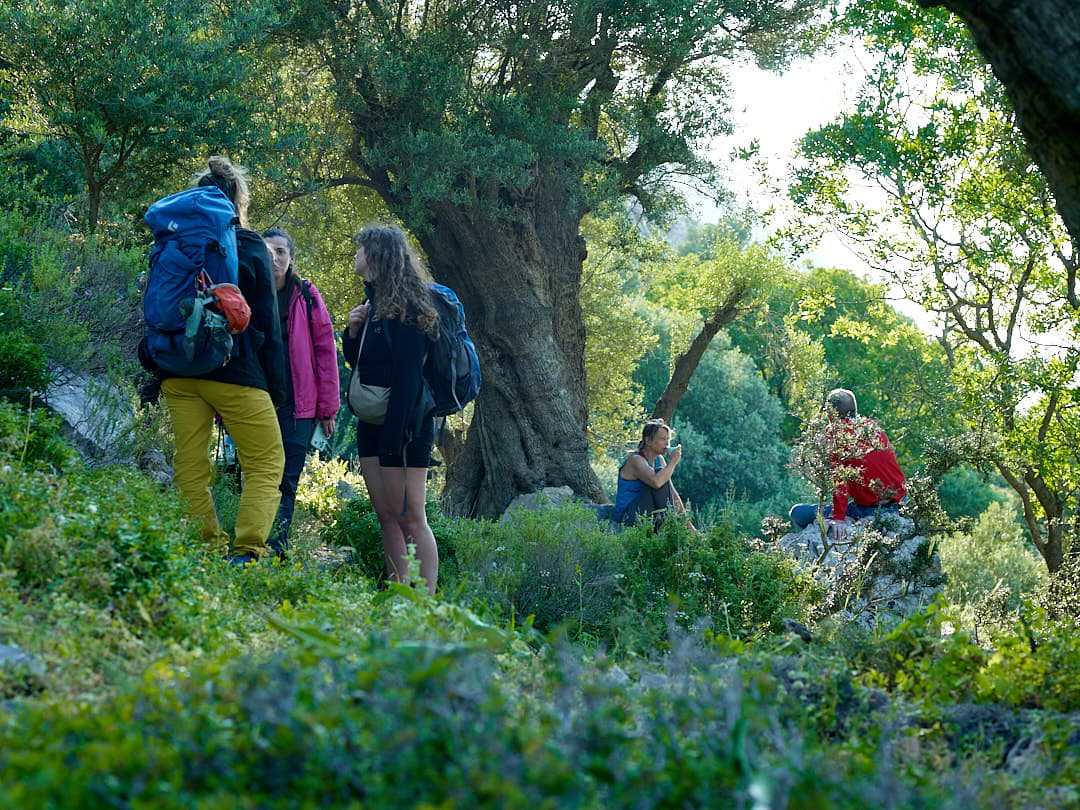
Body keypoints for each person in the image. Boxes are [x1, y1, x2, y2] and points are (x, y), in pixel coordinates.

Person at [159, 156, 286, 565]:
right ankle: (247, 551)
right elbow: (267, 321)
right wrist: (278, 389)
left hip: (178, 371)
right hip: (235, 373)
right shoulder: (249, 245)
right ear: (238, 201)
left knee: (190, 465)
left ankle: (204, 547)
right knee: (267, 463)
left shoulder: (171, 241)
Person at [342, 224, 439, 593]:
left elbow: (408, 381)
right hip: (372, 422)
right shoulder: (375, 304)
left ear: (377, 256)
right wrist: (352, 333)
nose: (355, 254)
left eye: (360, 248)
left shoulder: (409, 311)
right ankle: (398, 593)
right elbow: (364, 365)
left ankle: (424, 601)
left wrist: (392, 442)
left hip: (406, 427)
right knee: (386, 515)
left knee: (411, 517)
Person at [262, 226, 341, 558]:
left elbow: (326, 352)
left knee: (287, 480)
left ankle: (276, 546)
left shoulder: (307, 295)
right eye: (269, 251)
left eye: (281, 252)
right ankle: (251, 541)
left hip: (300, 407)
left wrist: (328, 409)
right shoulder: (250, 291)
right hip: (257, 402)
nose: (275, 258)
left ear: (291, 258)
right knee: (256, 474)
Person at [789, 388, 907, 541]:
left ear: (831, 413)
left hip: (870, 511)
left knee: (798, 513)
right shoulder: (873, 427)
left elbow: (839, 481)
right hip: (898, 504)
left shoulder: (837, 437)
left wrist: (838, 517)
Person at [613, 418, 694, 530]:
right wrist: (673, 461)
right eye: (662, 439)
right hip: (628, 516)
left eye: (668, 439)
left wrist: (689, 525)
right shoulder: (636, 460)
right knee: (660, 479)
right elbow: (656, 483)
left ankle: (683, 528)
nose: (667, 444)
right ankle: (674, 527)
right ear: (648, 441)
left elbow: (672, 493)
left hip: (647, 512)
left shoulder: (659, 459)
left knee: (663, 478)